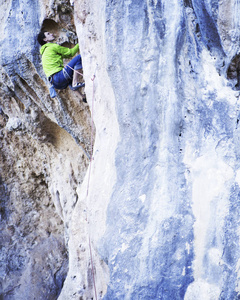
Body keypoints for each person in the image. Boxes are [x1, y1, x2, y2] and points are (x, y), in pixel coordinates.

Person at [37, 31, 85, 97]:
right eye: (48, 34)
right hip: (59, 76)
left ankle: (82, 97)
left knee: (70, 78)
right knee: (79, 58)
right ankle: (75, 83)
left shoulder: (44, 53)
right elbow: (70, 53)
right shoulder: (52, 47)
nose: (52, 33)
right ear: (45, 39)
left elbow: (67, 55)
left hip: (56, 84)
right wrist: (80, 42)